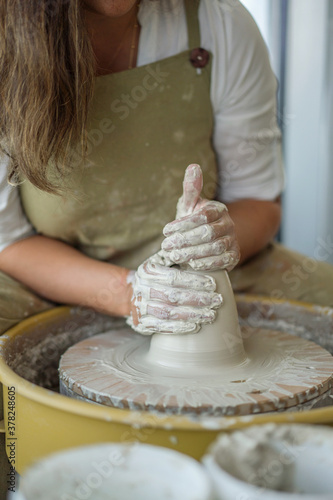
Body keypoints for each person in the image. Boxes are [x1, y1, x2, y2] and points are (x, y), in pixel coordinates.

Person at [0, 0, 332, 497]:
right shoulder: (8, 44)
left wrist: (225, 236)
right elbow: (8, 241)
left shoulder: (219, 22)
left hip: (213, 273)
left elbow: (257, 200)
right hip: (53, 273)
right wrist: (129, 292)